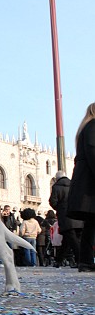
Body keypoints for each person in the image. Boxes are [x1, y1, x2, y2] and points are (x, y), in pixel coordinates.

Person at [67, 103, 95, 272]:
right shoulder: (92, 126)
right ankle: (85, 261)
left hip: (86, 181)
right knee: (91, 224)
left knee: (91, 224)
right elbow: (93, 151)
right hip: (90, 182)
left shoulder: (85, 127)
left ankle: (85, 261)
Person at [49, 171, 83, 268]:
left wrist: (60, 208)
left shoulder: (56, 187)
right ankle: (58, 261)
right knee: (68, 240)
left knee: (72, 240)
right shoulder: (74, 184)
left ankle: (80, 260)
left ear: (57, 178)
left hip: (66, 217)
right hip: (77, 216)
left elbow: (53, 201)